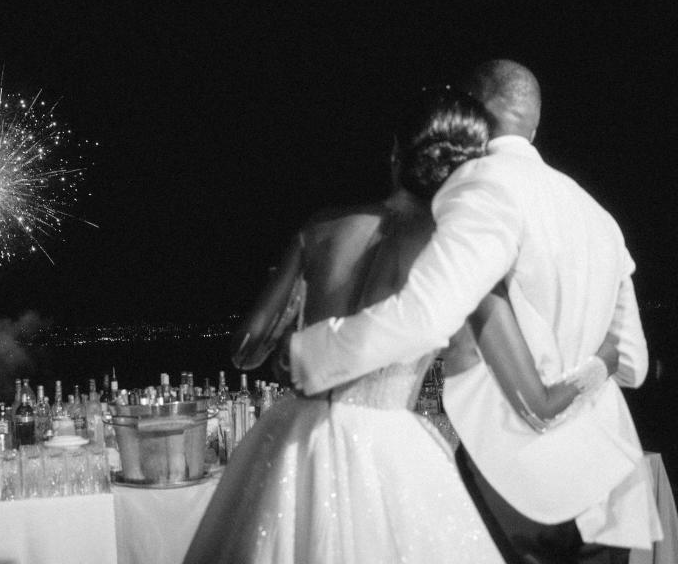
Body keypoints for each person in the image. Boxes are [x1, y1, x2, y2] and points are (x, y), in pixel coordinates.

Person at [186, 88, 588, 563]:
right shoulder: (459, 253)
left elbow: (245, 350)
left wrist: (293, 336)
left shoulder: (322, 227)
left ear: (396, 154)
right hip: (390, 447)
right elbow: (505, 384)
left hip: (295, 439)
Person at [290, 61, 661, 563]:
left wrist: (311, 353)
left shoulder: (481, 185)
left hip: (518, 485)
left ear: (469, 112)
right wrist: (590, 368)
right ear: (532, 124)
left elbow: (425, 316)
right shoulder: (600, 217)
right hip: (612, 486)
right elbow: (633, 362)